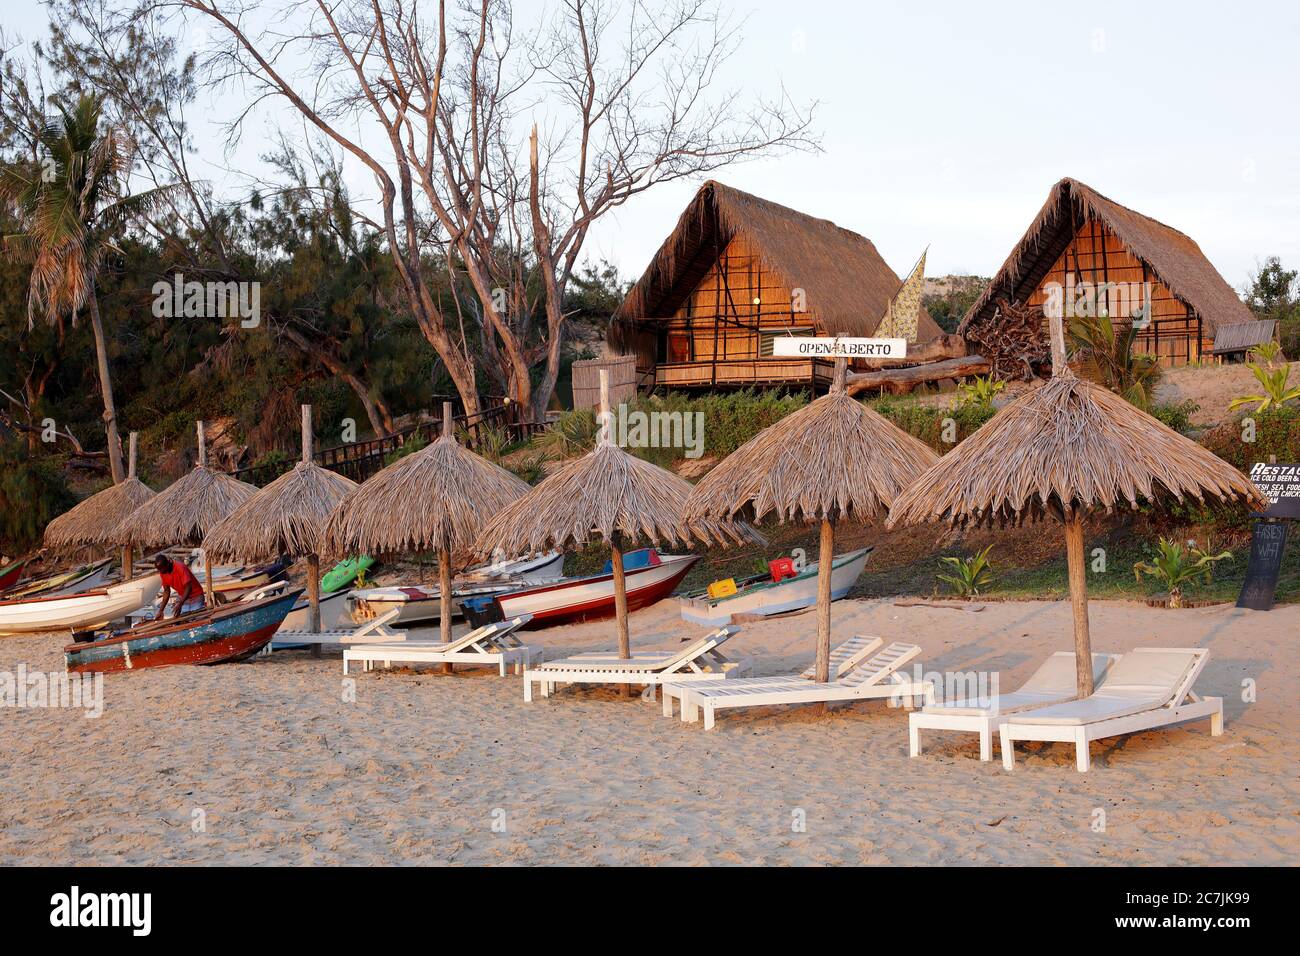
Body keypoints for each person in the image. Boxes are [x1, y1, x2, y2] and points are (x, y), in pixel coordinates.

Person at [152, 555, 206, 620]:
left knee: (197, 620)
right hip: (183, 598)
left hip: (196, 597)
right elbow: (166, 591)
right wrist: (161, 611)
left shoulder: (180, 567)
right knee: (182, 621)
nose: (162, 572)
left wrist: (180, 604)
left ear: (168, 564)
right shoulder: (162, 572)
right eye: (160, 571)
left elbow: (188, 588)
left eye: (163, 570)